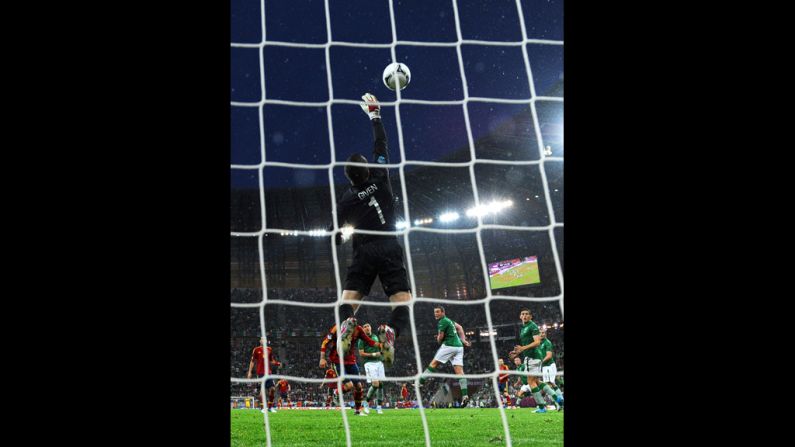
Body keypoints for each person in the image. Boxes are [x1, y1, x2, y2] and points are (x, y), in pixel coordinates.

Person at [332, 93, 413, 367]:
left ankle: (347, 324)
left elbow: (335, 236)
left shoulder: (346, 199)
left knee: (347, 301)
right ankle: (391, 331)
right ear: (367, 168)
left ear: (349, 178)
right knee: (403, 303)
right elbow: (381, 143)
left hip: (363, 251)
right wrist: (375, 115)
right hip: (389, 245)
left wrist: (340, 234)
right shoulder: (381, 176)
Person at [320, 320, 384, 416]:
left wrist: (380, 345)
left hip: (351, 361)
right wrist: (322, 358)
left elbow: (369, 341)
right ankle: (336, 392)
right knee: (349, 386)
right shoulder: (337, 328)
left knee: (359, 387)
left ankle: (357, 411)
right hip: (338, 361)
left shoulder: (358, 329)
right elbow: (325, 342)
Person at [418, 306, 472, 407]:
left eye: (438, 312)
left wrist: (438, 338)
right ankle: (465, 395)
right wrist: (463, 340)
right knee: (460, 372)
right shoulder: (450, 321)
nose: (436, 314)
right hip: (459, 347)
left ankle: (420, 382)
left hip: (449, 346)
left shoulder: (442, 321)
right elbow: (460, 327)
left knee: (434, 363)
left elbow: (440, 338)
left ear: (443, 312)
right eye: (435, 312)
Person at [509, 309, 546, 413]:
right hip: (529, 357)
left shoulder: (532, 326)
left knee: (531, 382)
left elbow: (537, 342)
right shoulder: (523, 328)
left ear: (530, 316)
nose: (524, 316)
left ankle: (542, 407)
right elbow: (525, 346)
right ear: (520, 316)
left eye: (526, 314)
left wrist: (523, 348)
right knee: (535, 381)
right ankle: (555, 400)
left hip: (534, 356)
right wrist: (517, 353)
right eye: (522, 314)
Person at [247, 338, 281, 413]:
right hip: (260, 373)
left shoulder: (269, 349)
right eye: (262, 339)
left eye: (265, 340)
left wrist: (277, 363)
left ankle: (270, 407)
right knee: (262, 391)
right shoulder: (256, 349)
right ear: (260, 341)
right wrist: (250, 372)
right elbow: (252, 361)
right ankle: (262, 408)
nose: (264, 341)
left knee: (272, 389)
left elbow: (271, 360)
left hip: (268, 373)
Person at [358, 323, 385, 414]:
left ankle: (379, 407)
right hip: (369, 363)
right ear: (363, 329)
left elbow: (380, 347)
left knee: (380, 384)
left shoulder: (375, 337)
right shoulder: (361, 340)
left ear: (370, 327)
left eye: (368, 326)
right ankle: (365, 403)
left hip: (379, 362)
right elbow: (361, 353)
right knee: (375, 384)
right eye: (364, 327)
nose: (366, 328)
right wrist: (374, 354)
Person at [537, 330, 564, 410]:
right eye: (540, 333)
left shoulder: (547, 342)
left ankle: (558, 403)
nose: (542, 334)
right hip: (545, 367)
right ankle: (560, 402)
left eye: (544, 333)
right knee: (549, 385)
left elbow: (549, 356)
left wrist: (540, 363)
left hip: (549, 366)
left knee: (549, 384)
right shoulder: (539, 343)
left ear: (545, 334)